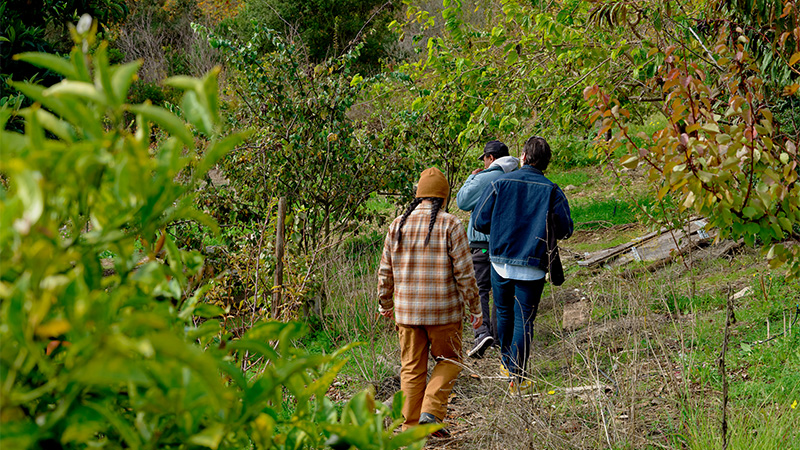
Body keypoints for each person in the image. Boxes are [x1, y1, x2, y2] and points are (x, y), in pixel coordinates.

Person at [378, 167, 482, 437]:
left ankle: (412, 429)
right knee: (450, 360)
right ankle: (431, 412)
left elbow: (385, 271)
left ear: (419, 194)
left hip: (407, 314)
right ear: (444, 196)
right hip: (444, 313)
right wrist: (475, 308)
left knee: (411, 370)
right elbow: (465, 273)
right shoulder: (451, 224)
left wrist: (385, 303)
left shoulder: (397, 224)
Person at [473, 136, 573, 393]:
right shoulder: (552, 190)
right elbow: (566, 229)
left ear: (523, 157)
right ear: (546, 163)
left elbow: (480, 222)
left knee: (504, 312)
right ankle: (516, 375)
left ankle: (508, 365)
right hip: (533, 262)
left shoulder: (500, 183)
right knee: (524, 319)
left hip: (499, 260)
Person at [456, 140, 519, 358]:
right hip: (509, 243)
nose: (483, 163)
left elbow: (462, 201)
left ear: (490, 158)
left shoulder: (485, 177)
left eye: (484, 159)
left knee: (479, 288)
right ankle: (499, 336)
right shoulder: (517, 176)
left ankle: (481, 333)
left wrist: (471, 178)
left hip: (483, 243)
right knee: (502, 289)